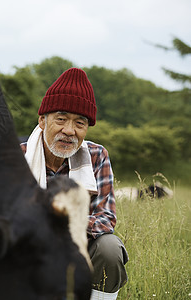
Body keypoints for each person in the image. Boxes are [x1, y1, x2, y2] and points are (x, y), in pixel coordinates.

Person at [21, 68, 128, 300]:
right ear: (42, 120)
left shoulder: (97, 156)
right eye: (60, 119)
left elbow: (105, 219)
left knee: (109, 248)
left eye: (79, 123)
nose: (69, 131)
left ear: (87, 127)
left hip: (78, 246)